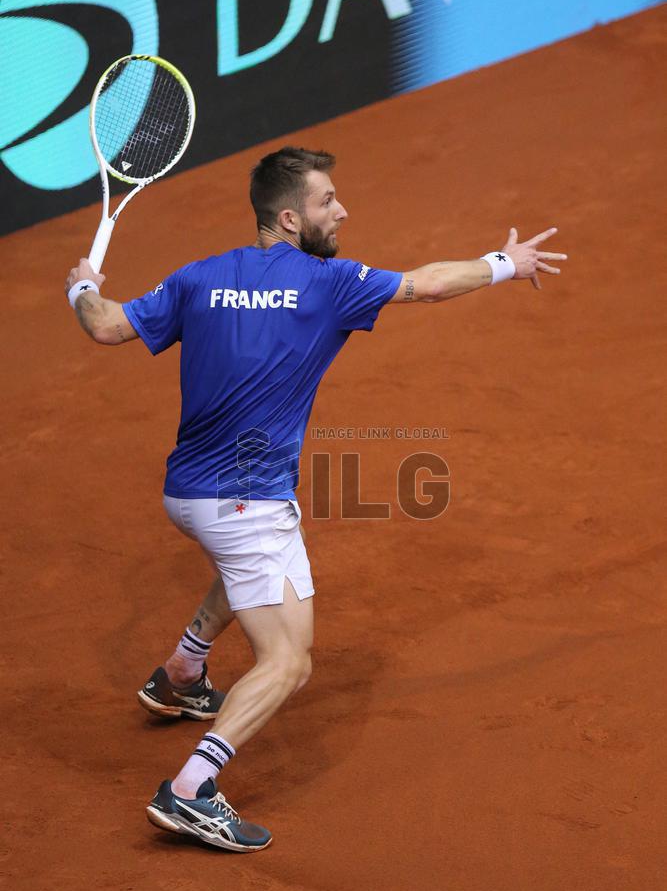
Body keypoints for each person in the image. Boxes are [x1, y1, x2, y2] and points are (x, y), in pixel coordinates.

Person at [64, 146, 566, 852]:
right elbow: (424, 285)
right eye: (330, 202)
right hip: (245, 505)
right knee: (290, 662)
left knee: (244, 568)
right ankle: (191, 790)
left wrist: (81, 286)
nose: (344, 211)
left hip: (187, 494)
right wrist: (503, 264)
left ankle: (182, 670)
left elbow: (106, 324)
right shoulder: (327, 283)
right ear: (292, 218)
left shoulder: (198, 277)